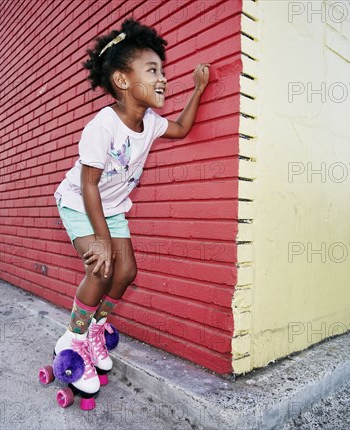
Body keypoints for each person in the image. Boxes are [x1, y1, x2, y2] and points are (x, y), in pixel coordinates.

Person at [52, 17, 210, 409]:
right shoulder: (102, 126)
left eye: (163, 71)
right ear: (123, 81)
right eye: (152, 70)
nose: (163, 79)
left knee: (126, 272)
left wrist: (198, 89)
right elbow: (89, 184)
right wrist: (102, 241)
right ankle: (73, 337)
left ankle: (95, 326)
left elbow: (183, 128)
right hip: (78, 201)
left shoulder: (151, 123)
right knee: (102, 267)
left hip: (113, 206)